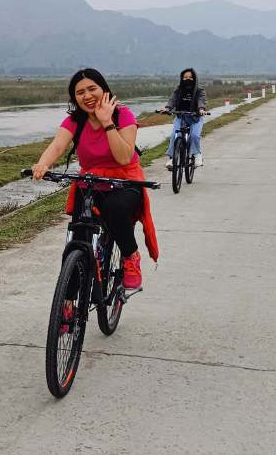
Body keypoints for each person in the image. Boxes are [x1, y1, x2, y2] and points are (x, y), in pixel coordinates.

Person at [28, 66, 161, 293]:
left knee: (115, 208)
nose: (87, 96)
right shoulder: (74, 121)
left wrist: (107, 122)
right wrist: (43, 164)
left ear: (104, 89)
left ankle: (130, 256)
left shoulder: (123, 115)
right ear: (74, 98)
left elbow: (123, 157)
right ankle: (68, 301)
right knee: (75, 241)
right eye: (80, 92)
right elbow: (58, 145)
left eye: (92, 89)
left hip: (125, 180)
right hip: (90, 181)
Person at [165, 67, 205, 168]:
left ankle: (197, 155)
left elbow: (201, 100)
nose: (188, 79)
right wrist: (167, 108)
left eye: (190, 77)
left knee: (194, 136)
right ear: (182, 78)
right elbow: (172, 99)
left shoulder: (199, 90)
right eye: (185, 77)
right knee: (174, 135)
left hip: (195, 118)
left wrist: (201, 109)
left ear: (195, 78)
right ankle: (172, 158)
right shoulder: (178, 89)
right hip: (181, 117)